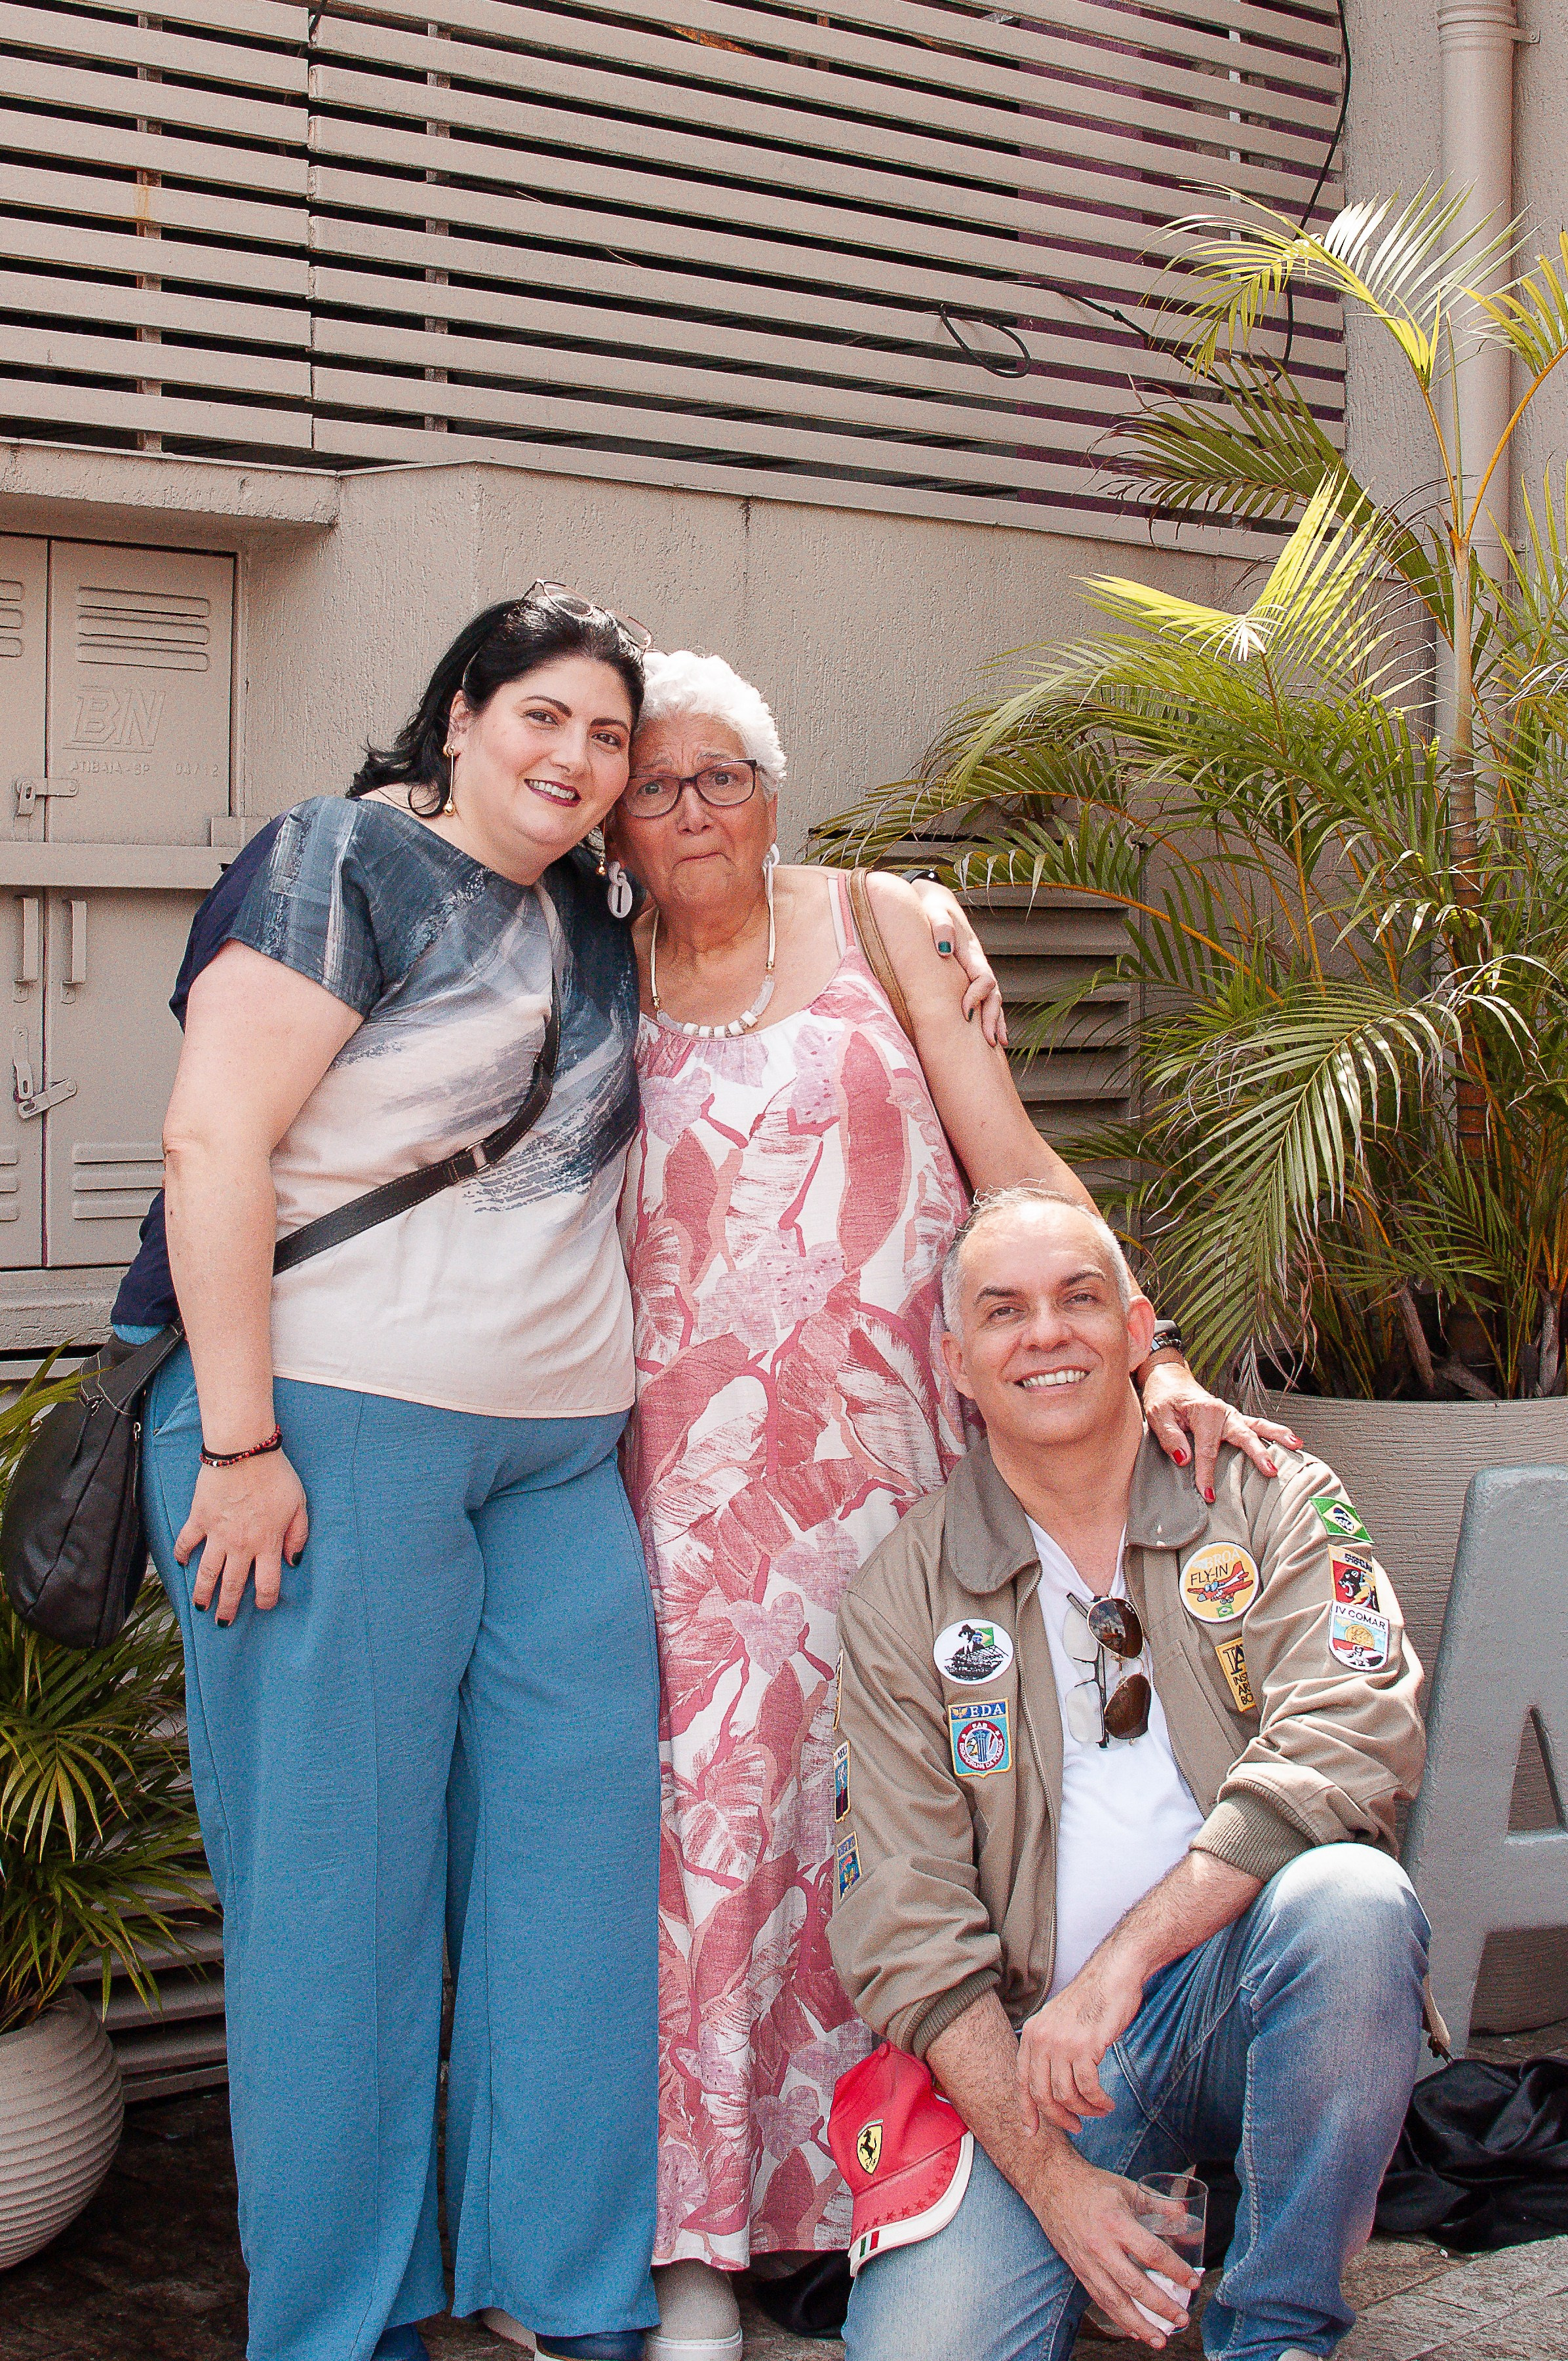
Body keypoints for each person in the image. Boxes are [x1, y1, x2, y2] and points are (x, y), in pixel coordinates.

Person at [602, 657, 1297, 2361]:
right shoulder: (577, 965)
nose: (697, 810)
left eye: (730, 775)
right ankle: (703, 2249)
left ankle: (903, 2200)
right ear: (614, 815)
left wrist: (1156, 1357)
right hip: (678, 1495)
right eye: (659, 783)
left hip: (903, 1477)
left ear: (780, 784)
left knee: (918, 1827)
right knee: (704, 1854)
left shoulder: (887, 928)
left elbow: (1019, 1168)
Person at [119, 588, 667, 2361]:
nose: (574, 761)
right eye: (543, 719)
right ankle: (341, 2323)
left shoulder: (594, 918)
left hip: (560, 1460)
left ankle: (567, 2287)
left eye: (606, 737)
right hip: (328, 1436)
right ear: (460, 713)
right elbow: (213, 1137)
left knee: (576, 1882)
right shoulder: (339, 858)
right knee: (342, 1902)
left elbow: (779, 916)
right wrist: (242, 1438)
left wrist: (923, 927)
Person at [829, 1184, 1432, 2361]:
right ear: (955, 1359)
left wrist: (1124, 1965)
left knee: (1353, 1902)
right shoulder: (904, 1590)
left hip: (1244, 1993)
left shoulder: (1266, 1493)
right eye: (1003, 1312)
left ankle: (1276, 2328)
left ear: (1139, 1327)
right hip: (1037, 2060)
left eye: (1080, 1298)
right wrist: (1059, 2188)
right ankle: (1108, 2224)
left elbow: (1359, 1724)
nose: (1045, 1334)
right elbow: (900, 1914)